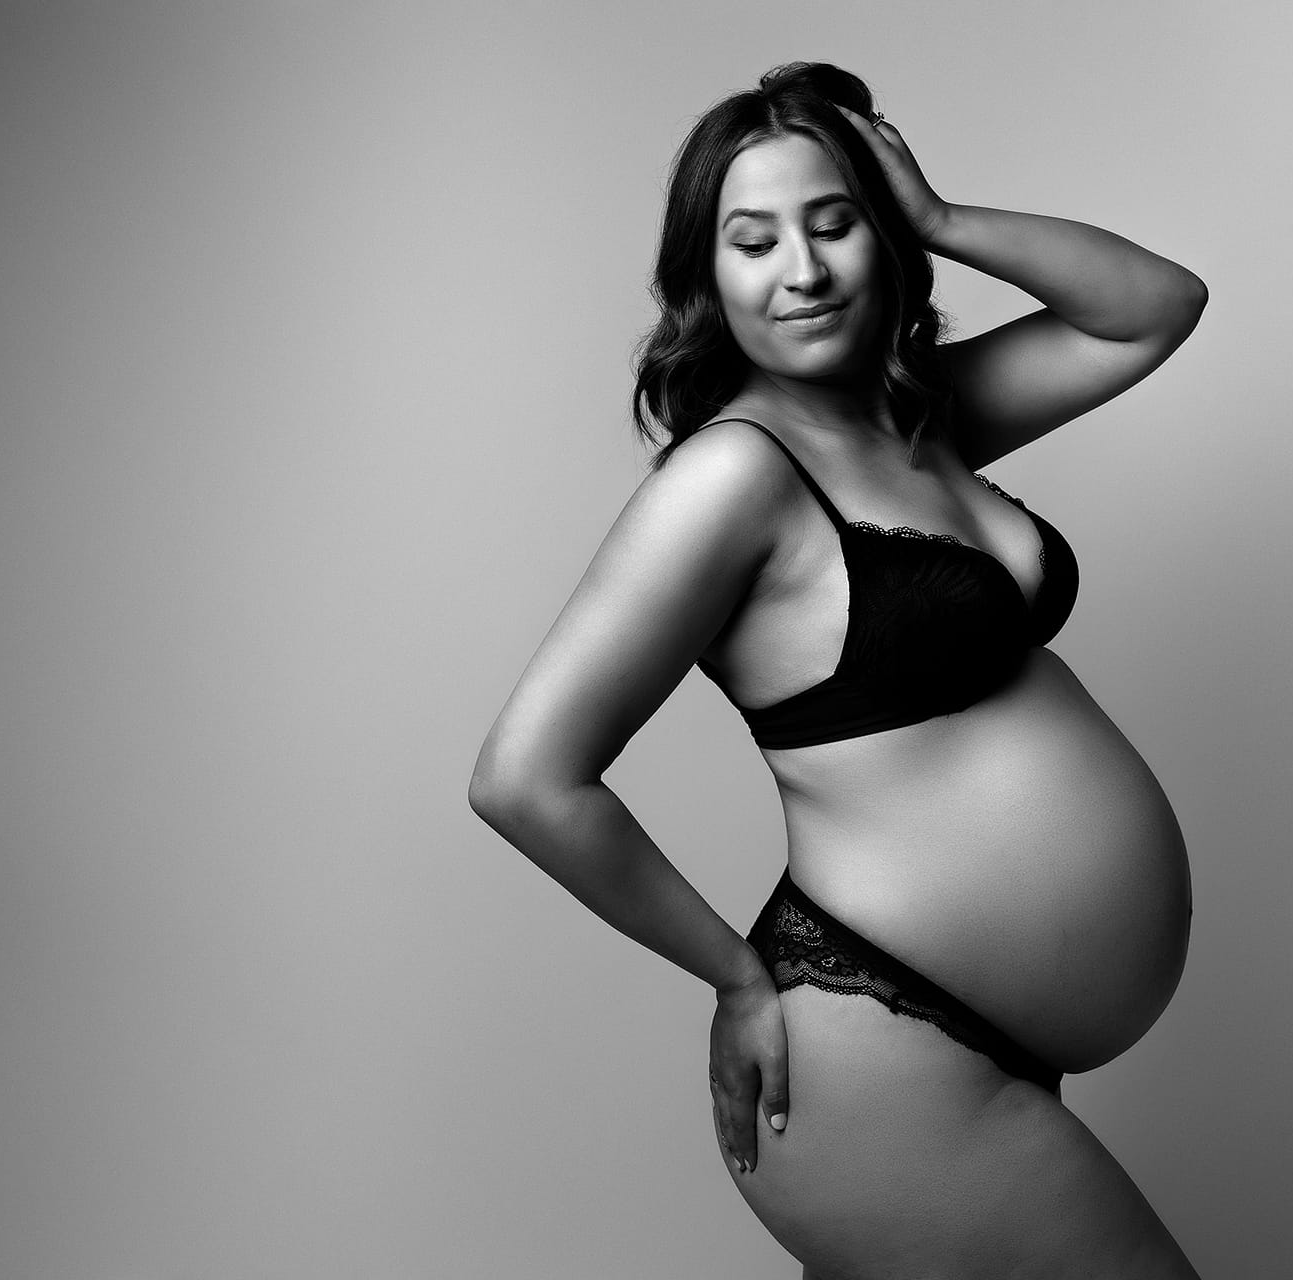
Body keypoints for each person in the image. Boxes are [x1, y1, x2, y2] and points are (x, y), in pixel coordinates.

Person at [469, 61, 1208, 1278]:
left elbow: (1154, 308)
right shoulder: (733, 478)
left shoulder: (921, 419)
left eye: (835, 222)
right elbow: (524, 776)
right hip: (881, 1044)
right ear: (707, 276)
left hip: (969, 1053)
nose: (803, 270)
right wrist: (734, 977)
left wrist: (943, 216)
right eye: (754, 241)